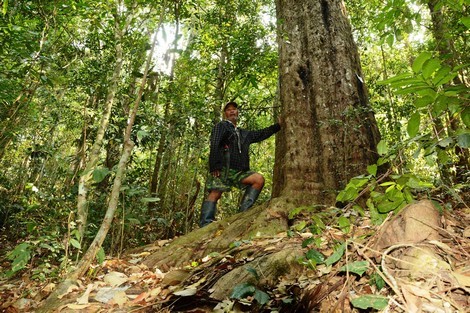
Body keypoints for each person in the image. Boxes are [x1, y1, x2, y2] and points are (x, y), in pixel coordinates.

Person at [199, 101, 282, 227]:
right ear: (225, 113)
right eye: (228, 110)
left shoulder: (244, 133)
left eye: (234, 109)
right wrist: (214, 165)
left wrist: (278, 126)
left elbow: (260, 134)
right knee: (215, 193)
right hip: (223, 168)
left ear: (238, 112)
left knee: (258, 179)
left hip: (239, 171)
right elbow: (214, 143)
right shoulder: (221, 126)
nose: (232, 111)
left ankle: (241, 216)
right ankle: (205, 224)